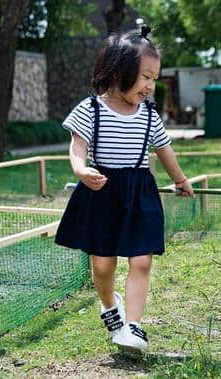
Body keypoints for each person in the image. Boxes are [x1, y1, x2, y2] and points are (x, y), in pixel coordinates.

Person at [55, 25, 194, 354]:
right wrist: (81, 170)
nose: (150, 86)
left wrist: (180, 179)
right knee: (103, 265)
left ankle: (133, 326)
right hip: (102, 192)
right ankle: (108, 305)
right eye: (146, 76)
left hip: (139, 194)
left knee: (141, 260)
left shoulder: (149, 115)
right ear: (120, 70)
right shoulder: (91, 109)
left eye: (154, 79)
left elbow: (164, 150)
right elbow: (77, 148)